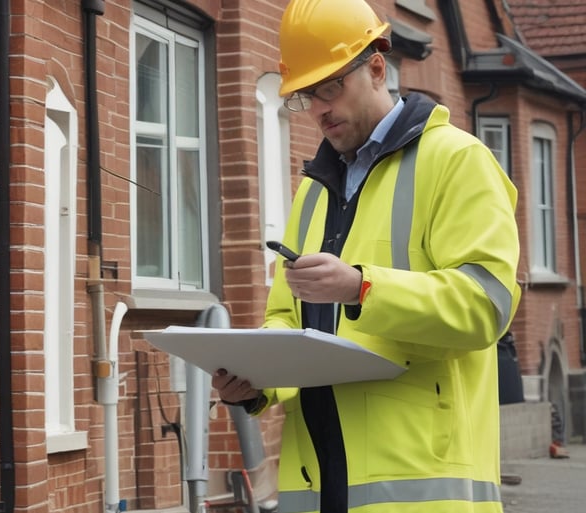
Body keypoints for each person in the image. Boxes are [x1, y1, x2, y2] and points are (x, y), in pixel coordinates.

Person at [212, 0, 521, 512]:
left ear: (377, 67)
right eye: (305, 95)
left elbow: (484, 306)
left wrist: (361, 288)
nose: (318, 109)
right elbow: (289, 320)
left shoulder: (458, 161)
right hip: (318, 485)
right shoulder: (311, 192)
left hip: (420, 487)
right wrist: (255, 380)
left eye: (329, 87)